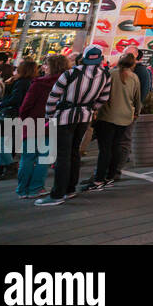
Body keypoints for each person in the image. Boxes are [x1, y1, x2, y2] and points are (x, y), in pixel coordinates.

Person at [37, 45, 112, 206]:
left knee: (62, 155)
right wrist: (90, 108)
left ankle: (57, 194)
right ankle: (70, 188)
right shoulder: (105, 75)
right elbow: (103, 98)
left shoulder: (71, 73)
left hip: (65, 116)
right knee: (74, 152)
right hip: (85, 116)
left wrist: (49, 115)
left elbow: (54, 96)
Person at [83, 52, 142, 191]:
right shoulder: (134, 78)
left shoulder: (110, 73)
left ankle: (98, 180)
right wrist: (136, 113)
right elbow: (137, 99)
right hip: (125, 117)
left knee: (105, 149)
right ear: (133, 64)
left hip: (107, 116)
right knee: (116, 147)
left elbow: (99, 93)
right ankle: (110, 177)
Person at [17, 54, 66, 199]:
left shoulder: (38, 83)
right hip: (52, 124)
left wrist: (24, 119)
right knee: (43, 158)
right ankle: (36, 188)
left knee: (27, 157)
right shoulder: (67, 84)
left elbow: (26, 106)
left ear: (52, 67)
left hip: (33, 122)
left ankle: (22, 189)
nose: (43, 67)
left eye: (46, 65)